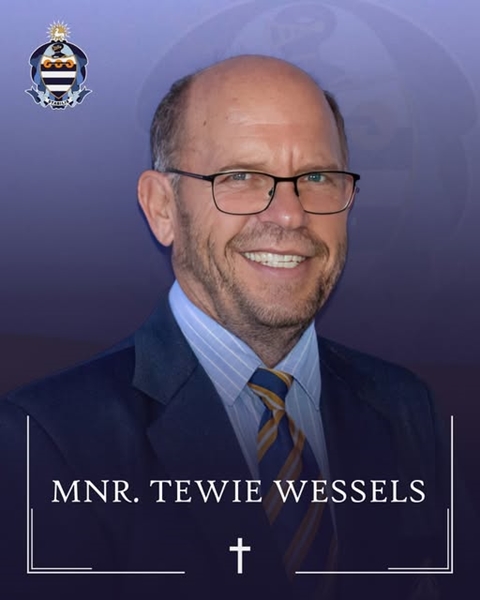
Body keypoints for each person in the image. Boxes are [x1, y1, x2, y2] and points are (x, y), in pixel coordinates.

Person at [0, 55, 475, 600]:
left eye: (316, 177)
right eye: (242, 177)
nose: (289, 215)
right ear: (162, 208)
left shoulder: (407, 409)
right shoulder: (45, 441)